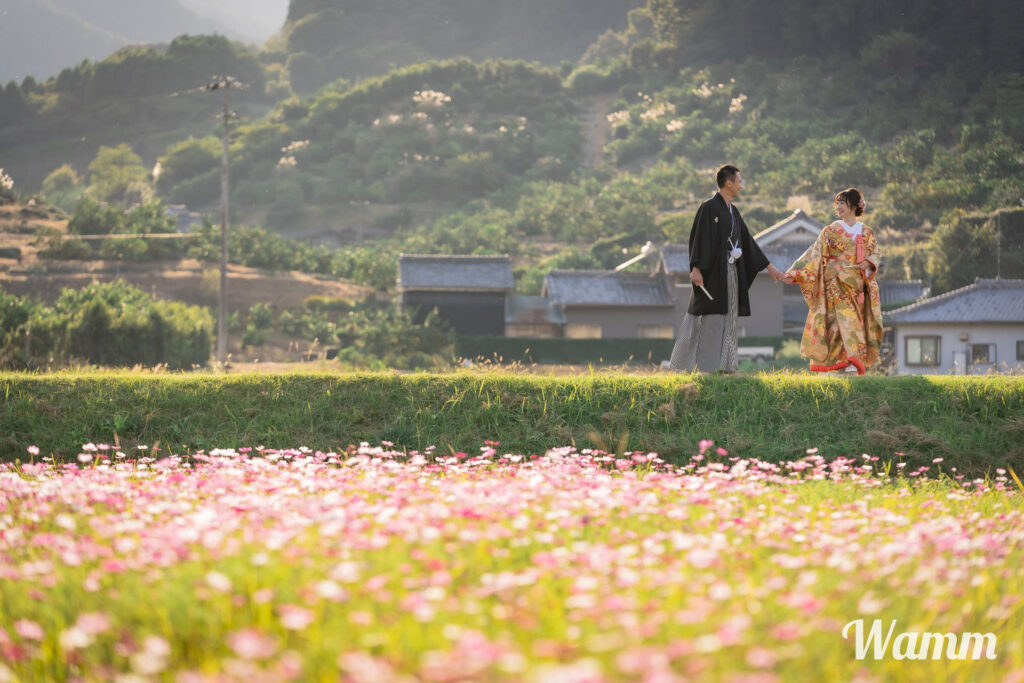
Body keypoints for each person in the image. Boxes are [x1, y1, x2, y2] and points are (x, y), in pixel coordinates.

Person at [670, 165, 785, 373]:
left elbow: (748, 242)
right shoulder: (708, 207)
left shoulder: (734, 211)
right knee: (710, 317)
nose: (742, 185)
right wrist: (695, 267)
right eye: (739, 180)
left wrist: (769, 267)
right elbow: (699, 237)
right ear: (729, 182)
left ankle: (726, 366)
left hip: (731, 272)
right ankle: (704, 368)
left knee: (730, 317)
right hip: (712, 272)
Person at [783, 188, 883, 376]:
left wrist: (868, 263)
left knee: (852, 323)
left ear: (854, 206)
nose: (837, 207)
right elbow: (814, 254)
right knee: (839, 324)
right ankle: (845, 362)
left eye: (842, 203)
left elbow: (875, 254)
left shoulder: (866, 232)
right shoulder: (830, 231)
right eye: (837, 203)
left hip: (857, 286)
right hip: (835, 285)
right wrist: (796, 273)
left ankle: (850, 361)